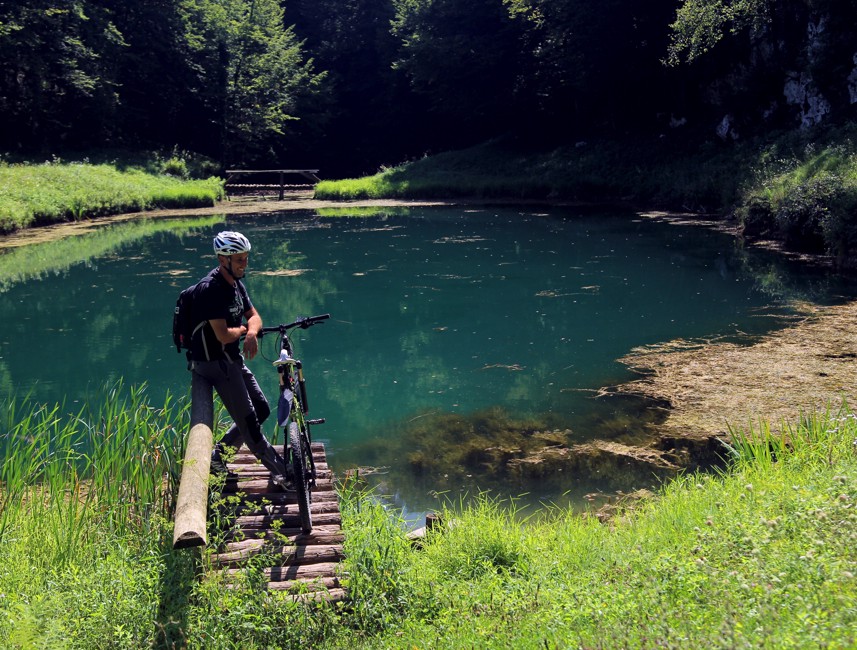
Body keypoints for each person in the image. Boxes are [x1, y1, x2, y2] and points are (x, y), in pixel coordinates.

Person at [187, 230, 290, 487]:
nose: (245, 264)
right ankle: (283, 474)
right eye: (239, 259)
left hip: (231, 358)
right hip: (214, 363)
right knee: (250, 423)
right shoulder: (211, 289)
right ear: (224, 260)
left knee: (262, 409)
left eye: (245, 258)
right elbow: (223, 335)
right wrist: (245, 331)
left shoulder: (235, 284)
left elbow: (254, 316)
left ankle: (218, 458)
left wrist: (252, 332)